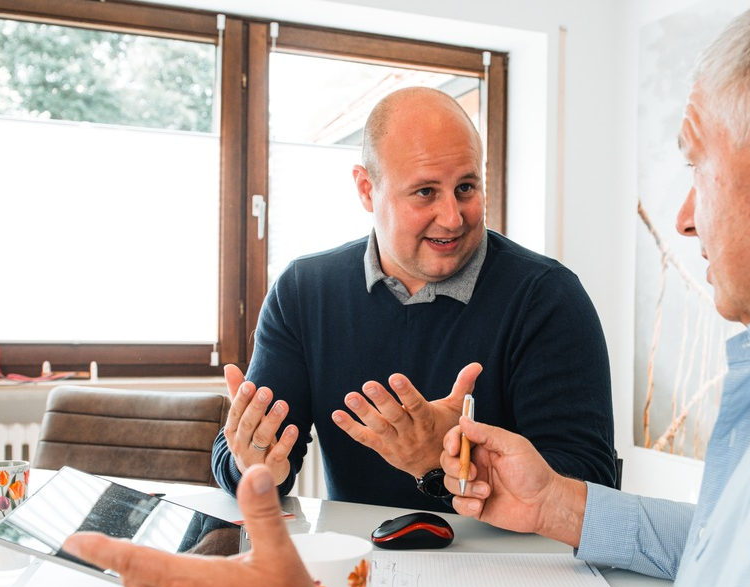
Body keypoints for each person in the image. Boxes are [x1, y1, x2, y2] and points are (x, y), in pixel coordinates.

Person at [64, 0, 750, 587]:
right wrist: (562, 504)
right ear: (368, 193)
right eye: (423, 192)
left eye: (696, 165)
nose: (686, 220)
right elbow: (748, 544)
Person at [210, 86, 617, 511]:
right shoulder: (303, 291)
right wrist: (252, 467)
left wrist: (444, 461)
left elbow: (588, 484)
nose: (453, 217)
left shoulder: (548, 297)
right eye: (425, 192)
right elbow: (246, 456)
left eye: (465, 187)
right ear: (367, 189)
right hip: (363, 565)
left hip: (510, 568)